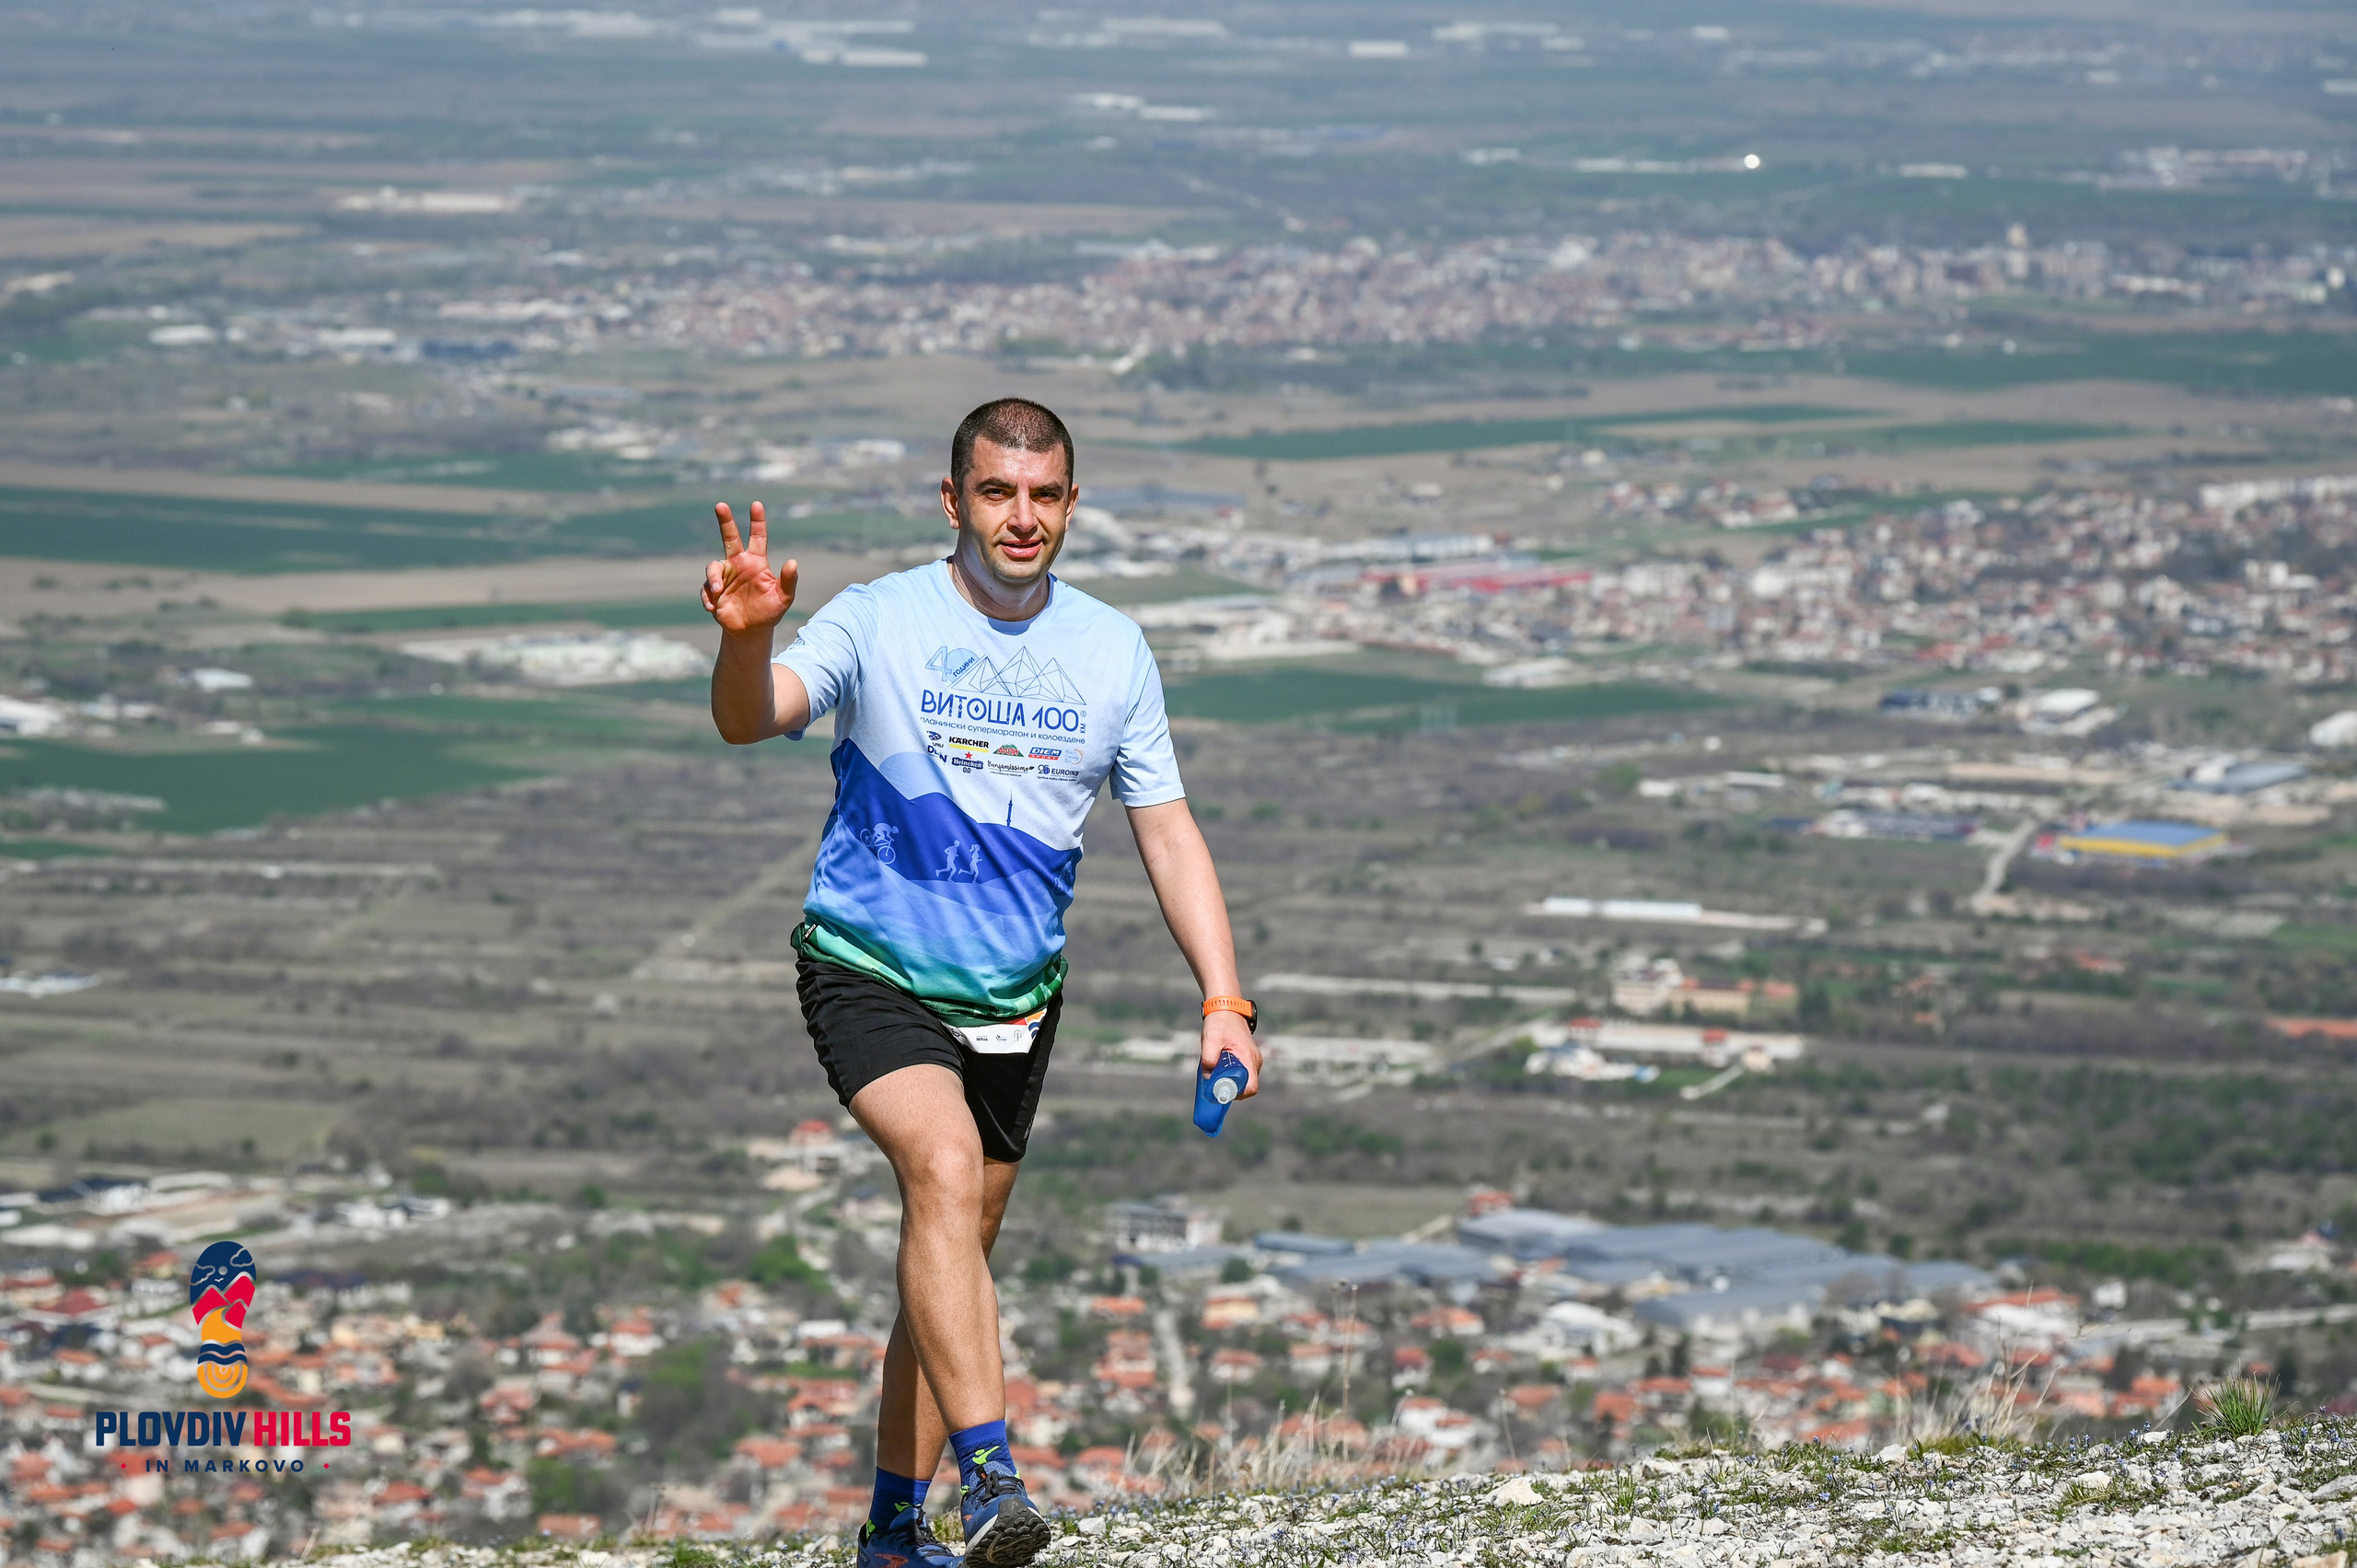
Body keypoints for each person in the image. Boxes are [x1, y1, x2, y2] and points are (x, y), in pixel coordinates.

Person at [702, 397, 1264, 1568]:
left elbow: (1166, 828)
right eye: (997, 492)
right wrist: (748, 636)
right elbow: (753, 719)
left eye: (1044, 494)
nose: (1022, 517)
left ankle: (893, 1532)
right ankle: (994, 1479)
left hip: (1014, 997)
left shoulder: (1112, 649)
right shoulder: (878, 618)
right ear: (951, 499)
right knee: (943, 1172)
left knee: (948, 1246)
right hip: (868, 967)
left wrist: (1223, 998)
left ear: (1071, 504)